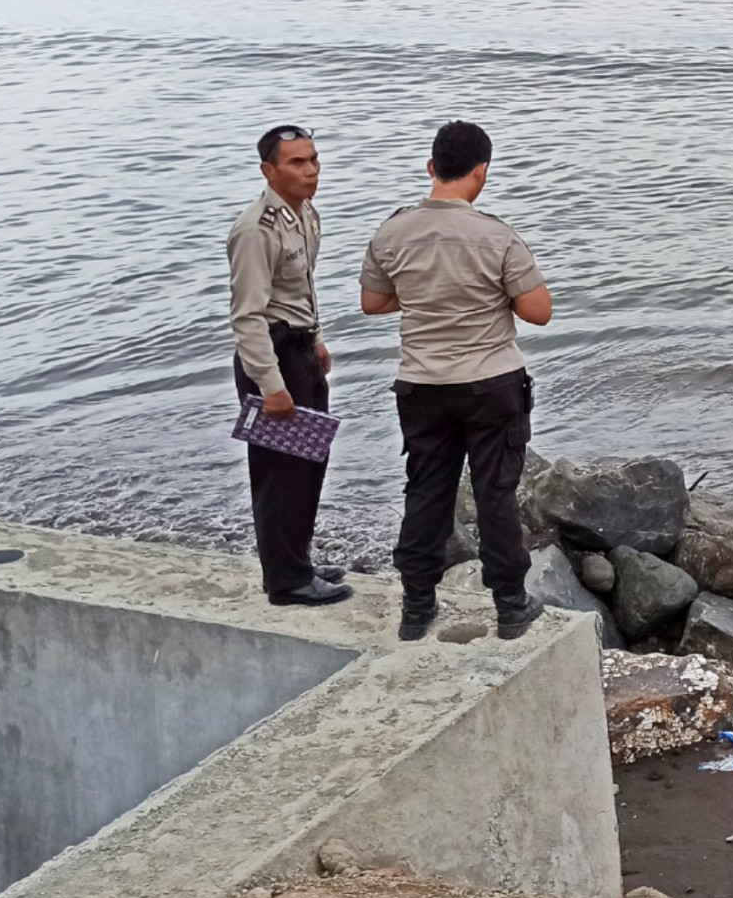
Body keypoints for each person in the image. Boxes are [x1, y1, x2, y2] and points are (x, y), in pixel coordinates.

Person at [362, 120, 553, 643]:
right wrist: (489, 296)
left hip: (421, 385)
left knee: (425, 492)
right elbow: (539, 311)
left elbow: (372, 302)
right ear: (482, 171)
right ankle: (511, 605)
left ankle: (416, 608)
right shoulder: (496, 235)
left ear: (431, 167)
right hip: (491, 383)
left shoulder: (392, 231)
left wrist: (427, 297)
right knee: (496, 494)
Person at [227, 125, 351, 607]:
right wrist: (271, 384)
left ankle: (296, 561)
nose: (311, 170)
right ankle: (285, 581)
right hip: (273, 359)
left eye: (314, 160)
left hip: (298, 351)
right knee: (279, 474)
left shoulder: (303, 215)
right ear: (268, 171)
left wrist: (316, 339)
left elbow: (300, 289)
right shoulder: (255, 229)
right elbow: (248, 315)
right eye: (297, 163)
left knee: (308, 465)